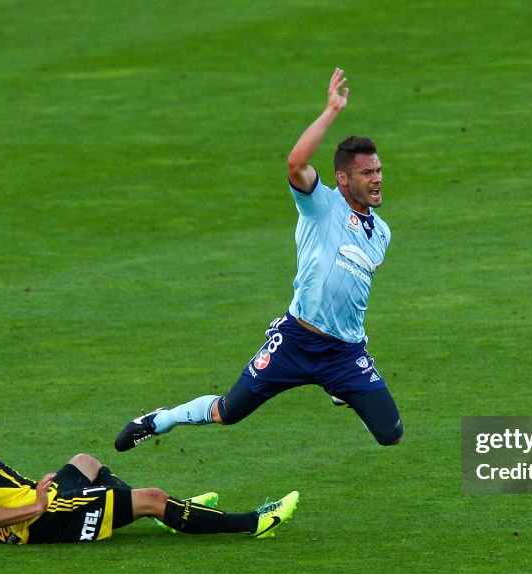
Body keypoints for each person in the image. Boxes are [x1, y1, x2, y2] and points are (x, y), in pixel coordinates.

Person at [115, 68, 403, 452]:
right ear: (344, 179)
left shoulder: (382, 233)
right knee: (229, 411)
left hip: (344, 353)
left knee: (391, 434)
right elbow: (296, 164)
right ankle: (160, 419)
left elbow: (353, 291)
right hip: (296, 341)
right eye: (367, 172)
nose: (378, 178)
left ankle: (340, 389)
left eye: (379, 169)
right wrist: (332, 110)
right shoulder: (321, 206)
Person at [0, 370, 298, 544]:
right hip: (40, 520)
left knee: (85, 462)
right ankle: (253, 522)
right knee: (154, 498)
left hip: (27, 510)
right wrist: (37, 505)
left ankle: (160, 515)